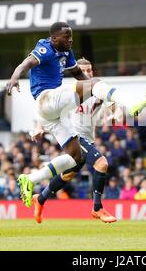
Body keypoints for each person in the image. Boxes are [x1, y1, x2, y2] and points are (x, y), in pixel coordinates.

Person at [6, 22, 146, 209]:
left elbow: (78, 73)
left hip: (53, 113)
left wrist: (93, 88)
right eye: (66, 36)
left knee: (75, 157)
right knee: (95, 85)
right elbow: (26, 63)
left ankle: (30, 179)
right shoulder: (45, 49)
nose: (70, 39)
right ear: (54, 38)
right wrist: (14, 77)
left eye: (71, 36)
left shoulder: (66, 53)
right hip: (47, 98)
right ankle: (132, 103)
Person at [30, 57, 119, 223]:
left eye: (89, 70)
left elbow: (113, 104)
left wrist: (116, 114)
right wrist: (39, 128)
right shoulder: (70, 91)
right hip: (75, 137)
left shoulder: (99, 89)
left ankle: (40, 198)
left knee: (68, 175)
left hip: (88, 139)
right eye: (83, 71)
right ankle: (97, 208)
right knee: (102, 164)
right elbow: (47, 111)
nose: (87, 73)